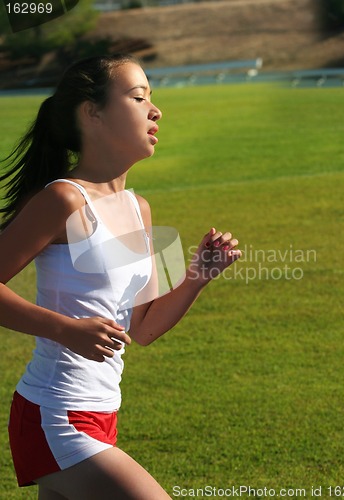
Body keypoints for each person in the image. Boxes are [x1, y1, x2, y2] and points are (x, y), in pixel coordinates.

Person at [0, 54, 241, 500]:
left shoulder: (138, 208)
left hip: (102, 412)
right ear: (92, 114)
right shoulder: (63, 199)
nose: (156, 110)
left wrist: (197, 277)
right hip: (55, 413)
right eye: (138, 97)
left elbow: (144, 327)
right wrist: (66, 330)